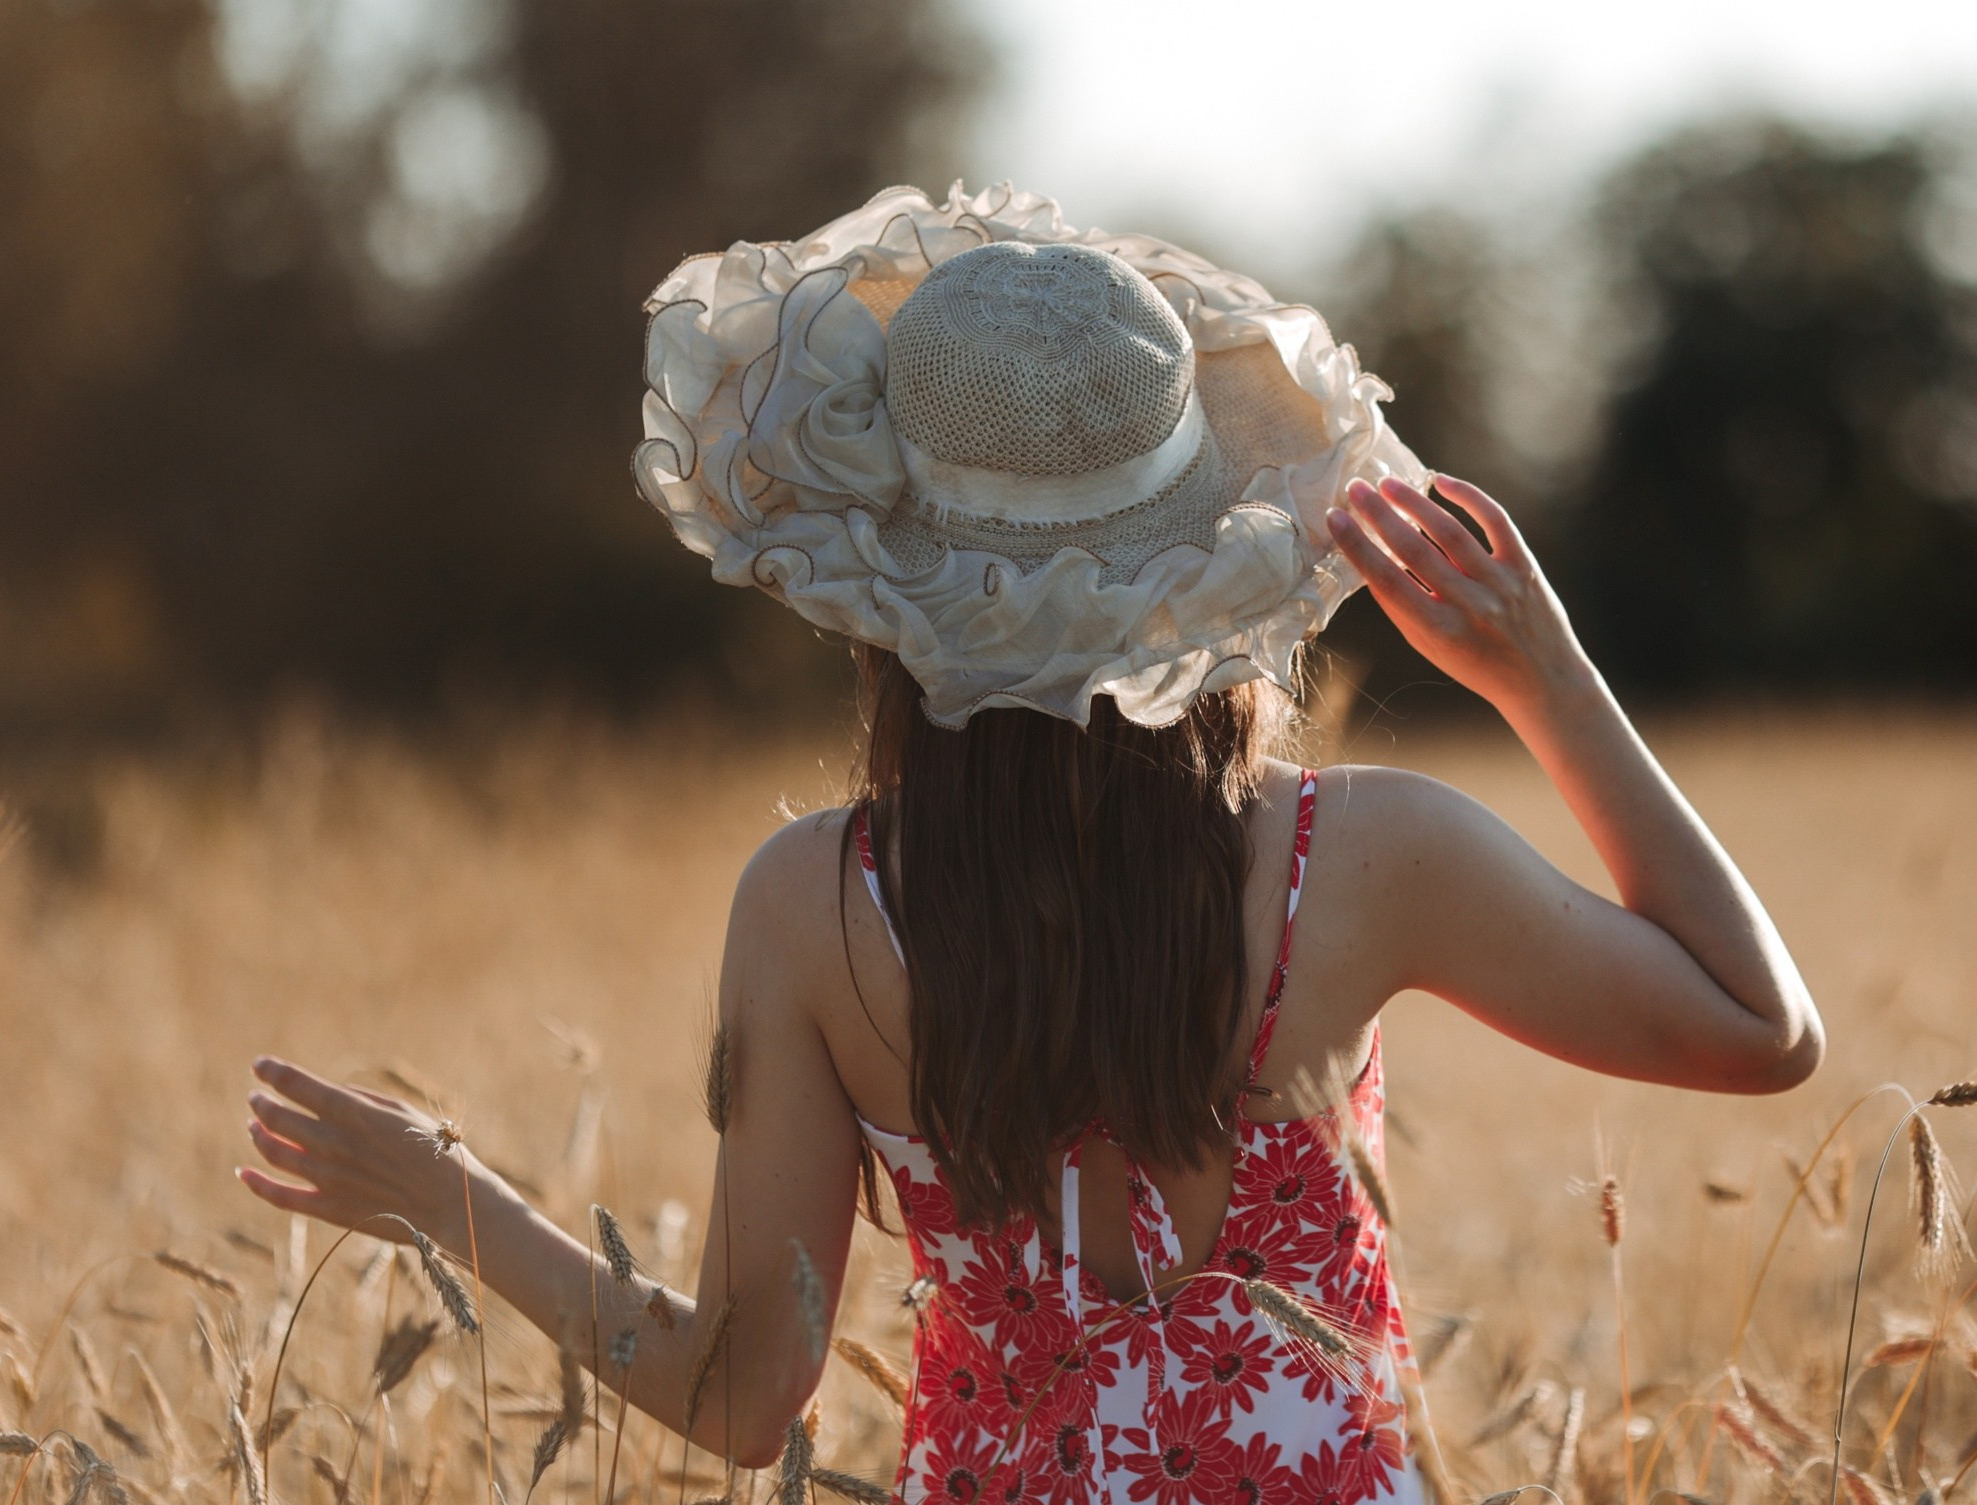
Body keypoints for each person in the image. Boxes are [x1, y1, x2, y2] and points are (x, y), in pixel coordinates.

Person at [236, 185, 1824, 1503]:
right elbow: (1761, 1031)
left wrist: (458, 1201)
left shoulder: (813, 911)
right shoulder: (1367, 857)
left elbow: (737, 1400)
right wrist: (1542, 672)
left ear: (886, 577)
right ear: (1198, 549)